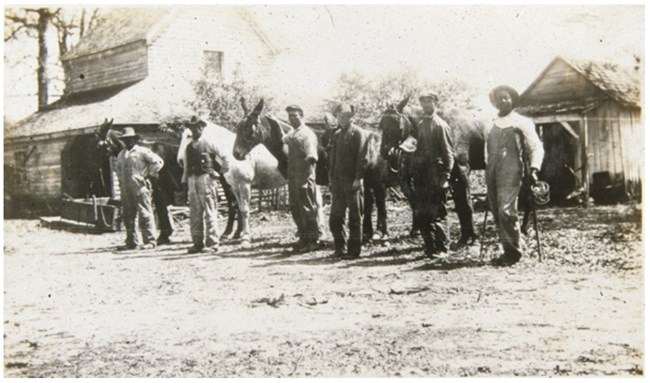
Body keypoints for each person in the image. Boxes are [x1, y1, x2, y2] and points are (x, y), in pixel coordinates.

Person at [486, 85, 544, 266]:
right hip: (492, 169)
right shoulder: (490, 123)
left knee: (506, 210)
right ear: (494, 102)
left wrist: (534, 168)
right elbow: (486, 150)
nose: (503, 101)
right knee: (496, 210)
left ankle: (514, 253)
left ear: (512, 100)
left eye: (506, 97)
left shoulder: (521, 122)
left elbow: (536, 147)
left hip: (511, 167)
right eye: (499, 98)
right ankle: (508, 249)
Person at [412, 92, 455, 258]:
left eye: (429, 102)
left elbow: (449, 153)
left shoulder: (440, 125)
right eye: (423, 102)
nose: (426, 105)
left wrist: (446, 176)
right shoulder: (421, 124)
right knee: (423, 212)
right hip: (422, 175)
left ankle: (442, 248)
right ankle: (429, 247)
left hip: (436, 175)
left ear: (435, 103)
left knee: (438, 212)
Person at [328, 104, 368, 259]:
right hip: (338, 182)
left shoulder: (357, 133)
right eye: (339, 116)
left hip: (352, 182)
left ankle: (354, 250)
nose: (342, 119)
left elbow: (362, 157)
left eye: (345, 116)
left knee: (355, 218)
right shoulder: (337, 134)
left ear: (351, 117)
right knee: (335, 218)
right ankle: (340, 248)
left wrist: (359, 178)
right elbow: (333, 159)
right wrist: (331, 179)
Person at [115, 127, 164, 250]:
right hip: (126, 189)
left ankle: (150, 241)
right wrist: (121, 182)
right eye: (124, 140)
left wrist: (148, 175)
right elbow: (118, 169)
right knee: (128, 215)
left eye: (129, 139)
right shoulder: (121, 154)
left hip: (140, 188)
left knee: (145, 213)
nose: (127, 142)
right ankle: (131, 242)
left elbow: (158, 162)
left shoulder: (142, 151)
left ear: (134, 139)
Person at [282, 105, 321, 253]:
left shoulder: (307, 134)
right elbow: (284, 141)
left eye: (295, 116)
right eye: (290, 116)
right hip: (293, 176)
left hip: (304, 175)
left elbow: (312, 157)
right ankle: (303, 238)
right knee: (296, 208)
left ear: (302, 116)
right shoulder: (291, 133)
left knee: (307, 208)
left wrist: (306, 178)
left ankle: (313, 240)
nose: (292, 118)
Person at [182, 116, 223, 254]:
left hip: (206, 179)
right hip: (192, 180)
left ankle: (212, 244)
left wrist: (220, 173)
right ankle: (197, 243)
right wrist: (185, 182)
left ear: (202, 128)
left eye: (199, 127)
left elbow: (225, 157)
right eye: (193, 127)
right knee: (195, 213)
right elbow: (186, 166)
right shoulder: (188, 147)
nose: (196, 130)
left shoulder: (209, 143)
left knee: (210, 212)